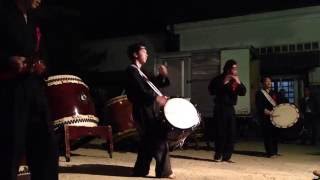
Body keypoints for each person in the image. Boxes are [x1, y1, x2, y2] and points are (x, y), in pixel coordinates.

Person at [0, 0, 59, 179]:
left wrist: (43, 65)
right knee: (10, 146)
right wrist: (7, 60)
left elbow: (43, 52)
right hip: (9, 90)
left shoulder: (35, 19)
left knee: (46, 144)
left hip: (34, 88)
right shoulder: (3, 14)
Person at [125, 42, 174, 178]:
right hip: (142, 110)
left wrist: (163, 75)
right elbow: (140, 91)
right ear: (135, 54)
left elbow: (154, 84)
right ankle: (164, 172)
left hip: (148, 109)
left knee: (148, 140)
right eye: (144, 51)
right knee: (158, 138)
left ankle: (140, 170)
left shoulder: (142, 72)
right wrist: (157, 98)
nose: (147, 54)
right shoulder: (131, 71)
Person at [208, 59, 246, 162]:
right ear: (228, 68)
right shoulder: (218, 79)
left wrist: (239, 83)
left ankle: (227, 156)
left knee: (231, 132)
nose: (235, 70)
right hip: (220, 108)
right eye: (234, 68)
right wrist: (225, 82)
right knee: (220, 132)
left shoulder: (235, 80)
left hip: (230, 108)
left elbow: (243, 92)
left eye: (236, 68)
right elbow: (212, 91)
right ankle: (218, 154)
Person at [255, 76, 280, 158]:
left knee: (275, 134)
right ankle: (270, 152)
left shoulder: (274, 92)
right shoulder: (259, 93)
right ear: (263, 83)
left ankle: (275, 151)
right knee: (268, 135)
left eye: (270, 81)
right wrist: (269, 112)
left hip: (275, 117)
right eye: (267, 81)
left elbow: (279, 103)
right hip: (265, 117)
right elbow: (259, 106)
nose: (269, 83)